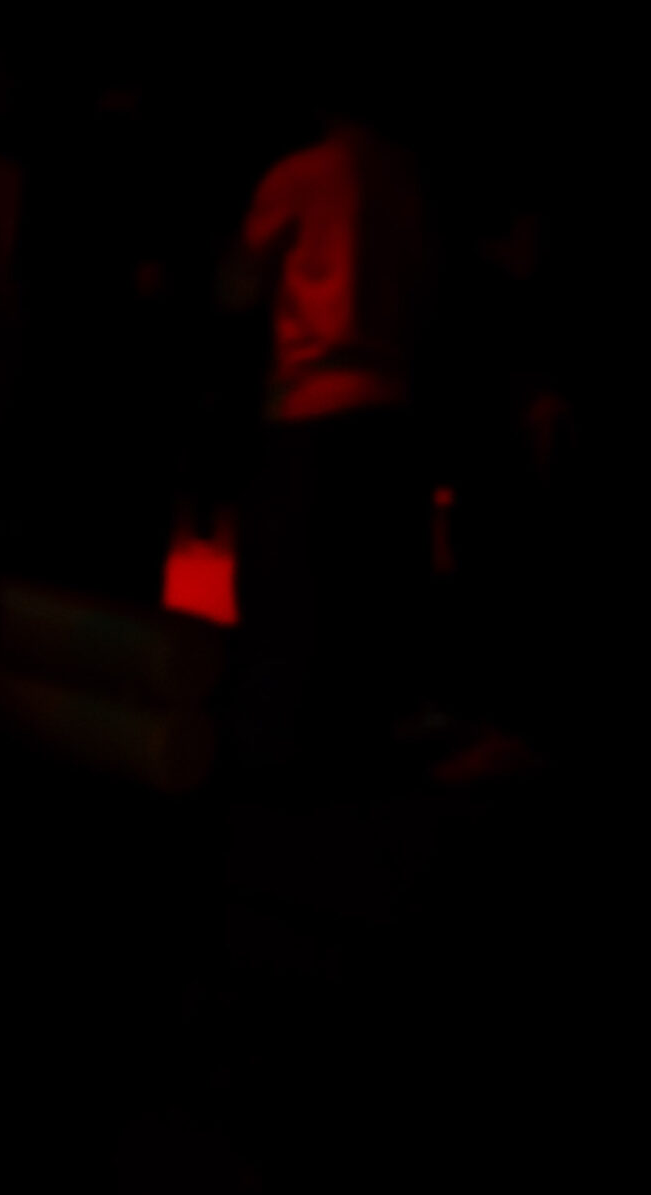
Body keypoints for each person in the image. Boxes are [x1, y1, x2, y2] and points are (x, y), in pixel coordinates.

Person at [219, 97, 431, 771]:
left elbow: (237, 287)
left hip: (309, 404)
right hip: (390, 405)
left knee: (288, 595)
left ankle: (280, 755)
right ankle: (356, 750)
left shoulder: (301, 174)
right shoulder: (406, 177)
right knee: (365, 597)